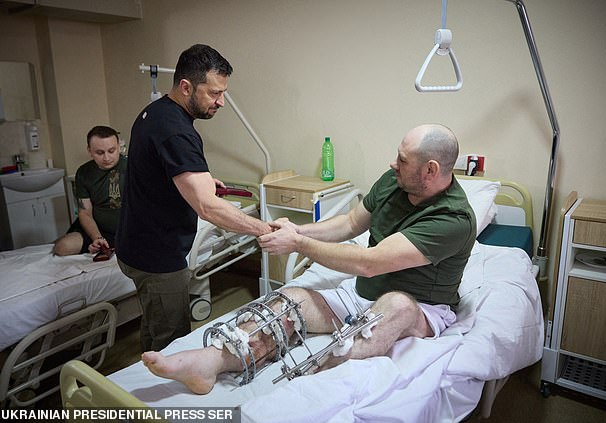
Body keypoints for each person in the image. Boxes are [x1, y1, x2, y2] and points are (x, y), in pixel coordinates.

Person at [138, 123, 477, 395]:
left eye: (403, 159)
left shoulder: (452, 220)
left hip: (421, 309)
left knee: (398, 305)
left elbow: (369, 263)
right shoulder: (394, 182)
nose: (393, 164)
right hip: (362, 295)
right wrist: (298, 230)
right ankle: (211, 362)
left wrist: (298, 244)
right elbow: (348, 223)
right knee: (291, 300)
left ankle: (315, 380)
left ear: (431, 170)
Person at [116, 44, 272, 353]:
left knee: (153, 325)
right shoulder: (177, 131)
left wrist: (193, 179)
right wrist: (263, 229)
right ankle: (157, 400)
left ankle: (143, 385)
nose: (222, 102)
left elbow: (154, 169)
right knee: (171, 342)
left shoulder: (155, 112)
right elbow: (207, 207)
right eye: (214, 93)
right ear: (186, 86)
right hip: (157, 258)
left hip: (133, 245)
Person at [53, 125, 125, 256]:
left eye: (111, 151)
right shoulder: (84, 173)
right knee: (61, 247)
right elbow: (85, 213)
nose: (107, 158)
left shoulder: (133, 167)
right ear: (89, 151)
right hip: (98, 230)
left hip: (128, 232)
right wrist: (97, 238)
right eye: (100, 153)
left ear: (119, 147)